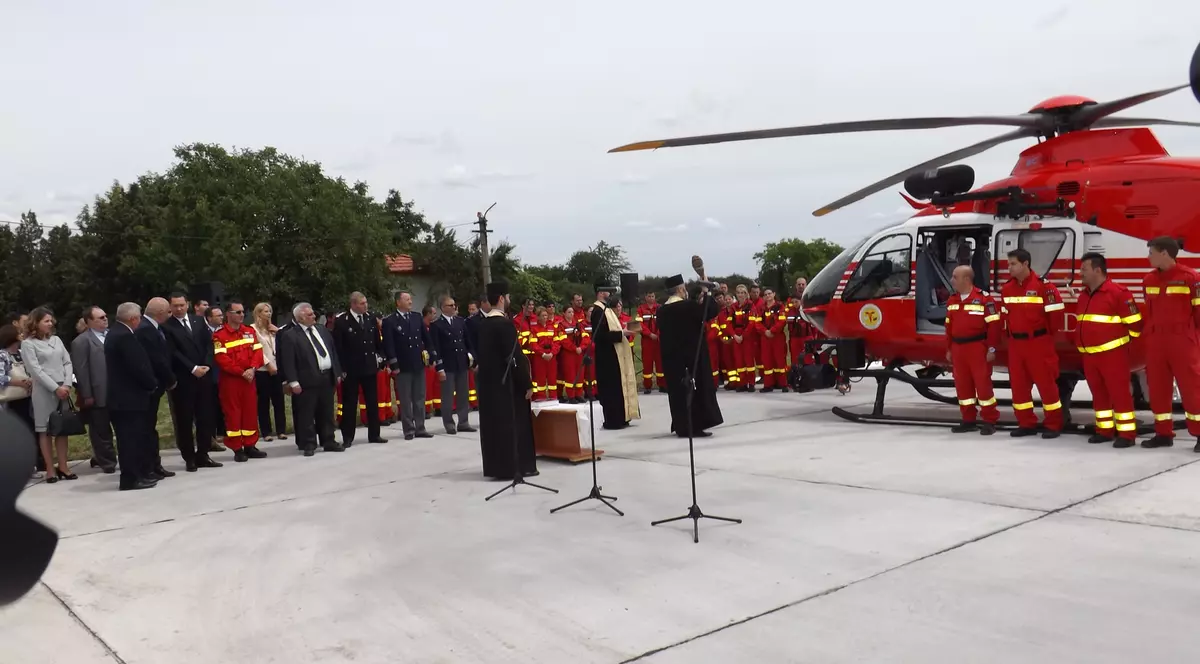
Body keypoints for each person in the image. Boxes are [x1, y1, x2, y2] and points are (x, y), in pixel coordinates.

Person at [1075, 253, 1142, 448]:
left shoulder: (1118, 293)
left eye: (1084, 269)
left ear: (1097, 270)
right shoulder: (1084, 294)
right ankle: (1104, 430)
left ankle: (1127, 434)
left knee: (1120, 394)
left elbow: (1135, 324)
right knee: (1098, 394)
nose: (1080, 273)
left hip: (1112, 355)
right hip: (1090, 355)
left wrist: (1123, 344)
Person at [1140, 236, 1200, 451]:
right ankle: (1163, 433)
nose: (1148, 257)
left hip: (1182, 341)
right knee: (1157, 389)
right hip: (1156, 342)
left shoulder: (1190, 278)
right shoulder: (1148, 280)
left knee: (1192, 389)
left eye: (1151, 252)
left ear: (1164, 253)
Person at [999, 248, 1065, 438]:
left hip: (1038, 342)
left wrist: (1043, 336)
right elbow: (1005, 316)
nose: (1008, 268)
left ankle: (1053, 424)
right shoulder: (1008, 288)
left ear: (1025, 264)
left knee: (1046, 385)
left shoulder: (1045, 287)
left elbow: (1056, 318)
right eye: (1008, 264)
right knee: (1019, 386)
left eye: (1013, 264)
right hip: (1016, 344)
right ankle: (1026, 423)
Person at [475, 281, 537, 479]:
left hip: (489, 386)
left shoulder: (483, 324)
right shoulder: (504, 325)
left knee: (494, 427)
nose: (509, 300)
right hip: (507, 387)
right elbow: (514, 358)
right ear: (501, 299)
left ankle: (497, 468)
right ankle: (518, 466)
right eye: (508, 297)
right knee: (514, 425)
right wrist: (526, 383)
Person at [657, 275, 724, 437]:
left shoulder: (662, 310)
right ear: (680, 290)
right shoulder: (686, 306)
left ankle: (681, 425)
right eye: (684, 288)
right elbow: (710, 312)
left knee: (677, 392)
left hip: (672, 360)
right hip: (691, 357)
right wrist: (707, 293)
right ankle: (694, 426)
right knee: (693, 391)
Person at [164, 292, 222, 472]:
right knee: (185, 420)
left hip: (204, 377)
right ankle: (189, 457)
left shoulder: (198, 322)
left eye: (182, 305)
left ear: (187, 304)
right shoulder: (167, 327)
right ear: (170, 307)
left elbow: (208, 345)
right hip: (184, 380)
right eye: (175, 306)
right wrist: (192, 368)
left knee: (206, 417)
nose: (179, 308)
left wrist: (205, 365)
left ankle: (203, 454)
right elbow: (173, 352)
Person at [106, 303, 160, 491]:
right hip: (129, 399)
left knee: (130, 439)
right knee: (130, 441)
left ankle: (136, 475)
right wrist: (151, 383)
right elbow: (138, 366)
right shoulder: (125, 337)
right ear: (133, 319)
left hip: (122, 398)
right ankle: (131, 478)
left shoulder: (114, 333)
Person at [944, 266, 1002, 435]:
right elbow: (948, 327)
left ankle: (989, 420)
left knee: (983, 386)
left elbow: (994, 326)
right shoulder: (952, 300)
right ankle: (968, 420)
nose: (952, 280)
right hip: (958, 348)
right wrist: (949, 349)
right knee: (963, 387)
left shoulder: (984, 299)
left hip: (977, 348)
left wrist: (991, 348)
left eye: (955, 277)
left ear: (966, 279)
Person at [279, 303, 343, 456]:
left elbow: (332, 351)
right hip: (306, 380)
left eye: (313, 314)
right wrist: (292, 381)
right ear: (300, 317)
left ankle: (328, 440)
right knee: (306, 414)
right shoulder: (290, 335)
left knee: (326, 411)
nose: (314, 316)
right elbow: (288, 360)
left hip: (326, 377)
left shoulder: (322, 330)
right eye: (310, 315)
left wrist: (337, 372)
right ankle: (308, 443)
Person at [20, 307, 76, 482]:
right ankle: (50, 469)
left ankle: (64, 466)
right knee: (45, 429)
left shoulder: (57, 340)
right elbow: (35, 370)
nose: (50, 324)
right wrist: (55, 388)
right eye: (46, 321)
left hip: (63, 388)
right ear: (35, 323)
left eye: (51, 321)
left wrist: (66, 384)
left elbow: (67, 361)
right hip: (44, 390)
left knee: (61, 428)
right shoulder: (28, 344)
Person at [212, 300, 266, 461]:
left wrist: (253, 368)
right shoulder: (219, 335)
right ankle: (237, 448)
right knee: (233, 414)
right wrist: (241, 372)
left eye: (243, 312)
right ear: (228, 314)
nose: (242, 315)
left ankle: (250, 445)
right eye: (238, 312)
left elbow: (258, 352)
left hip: (249, 379)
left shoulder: (249, 331)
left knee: (250, 412)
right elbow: (222, 359)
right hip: (231, 381)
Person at [332, 292, 386, 446]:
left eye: (366, 303)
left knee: (372, 402)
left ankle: (374, 434)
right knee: (350, 404)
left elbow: (377, 342)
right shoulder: (342, 321)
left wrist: (380, 357)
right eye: (362, 303)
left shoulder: (370, 318)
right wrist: (341, 369)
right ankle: (348, 437)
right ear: (354, 305)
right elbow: (338, 348)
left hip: (369, 367)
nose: (365, 306)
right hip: (351, 370)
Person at [70, 305, 117, 473]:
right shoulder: (82, 341)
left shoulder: (114, 335)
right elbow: (81, 370)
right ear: (89, 322)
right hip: (98, 392)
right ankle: (107, 462)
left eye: (105, 316)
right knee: (101, 430)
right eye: (100, 318)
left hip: (118, 391)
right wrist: (87, 393)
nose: (105, 319)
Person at [383, 292, 436, 440]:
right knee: (406, 400)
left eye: (411, 299)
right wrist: (394, 364)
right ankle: (409, 429)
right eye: (407, 299)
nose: (410, 301)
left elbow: (426, 338)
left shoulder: (416, 317)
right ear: (398, 302)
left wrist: (431, 354)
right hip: (403, 365)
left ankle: (420, 428)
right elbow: (389, 345)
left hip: (418, 363)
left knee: (420, 397)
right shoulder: (391, 321)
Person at [136, 297, 178, 479]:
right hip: (149, 387)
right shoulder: (145, 329)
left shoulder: (153, 327)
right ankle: (149, 466)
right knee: (146, 429)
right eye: (168, 311)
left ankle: (155, 465)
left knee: (150, 428)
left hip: (154, 386)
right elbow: (157, 359)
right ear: (161, 313)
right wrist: (170, 380)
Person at [589, 281, 640, 429]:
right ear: (600, 292)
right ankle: (613, 420)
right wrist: (621, 333)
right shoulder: (598, 310)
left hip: (615, 355)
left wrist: (623, 330)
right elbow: (599, 336)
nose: (610, 294)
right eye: (607, 291)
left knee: (618, 387)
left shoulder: (607, 309)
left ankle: (622, 416)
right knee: (611, 389)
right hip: (607, 357)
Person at [431, 296, 475, 434]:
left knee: (463, 394)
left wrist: (472, 358)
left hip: (461, 363)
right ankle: (449, 423)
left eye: (454, 305)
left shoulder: (460, 322)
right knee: (448, 396)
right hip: (447, 365)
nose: (454, 307)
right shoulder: (436, 325)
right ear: (443, 307)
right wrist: (439, 367)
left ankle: (463, 422)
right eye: (451, 305)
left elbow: (468, 342)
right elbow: (435, 349)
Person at [251, 302, 288, 444]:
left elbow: (283, 345)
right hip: (263, 369)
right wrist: (267, 364)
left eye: (270, 311)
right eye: (265, 311)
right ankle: (266, 431)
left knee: (279, 400)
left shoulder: (272, 329)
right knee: (263, 401)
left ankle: (281, 430)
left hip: (277, 367)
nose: (268, 314)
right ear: (258, 313)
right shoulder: (253, 329)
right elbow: (256, 349)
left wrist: (278, 332)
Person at [756, 289, 788, 392]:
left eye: (769, 293)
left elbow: (782, 321)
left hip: (777, 337)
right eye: (765, 294)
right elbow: (757, 323)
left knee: (780, 360)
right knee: (767, 361)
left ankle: (783, 384)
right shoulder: (761, 308)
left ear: (774, 294)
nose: (768, 296)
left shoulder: (780, 307)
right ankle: (768, 385)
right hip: (765, 338)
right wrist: (765, 331)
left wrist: (773, 331)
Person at [558, 305, 589, 403]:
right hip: (568, 353)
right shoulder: (561, 325)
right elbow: (563, 340)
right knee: (570, 374)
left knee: (580, 373)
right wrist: (574, 348)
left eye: (572, 312)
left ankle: (578, 394)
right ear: (564, 313)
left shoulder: (578, 324)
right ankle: (571, 396)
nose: (571, 314)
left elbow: (585, 337)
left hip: (579, 353)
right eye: (569, 312)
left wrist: (581, 347)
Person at [529, 306, 560, 401]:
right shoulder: (534, 329)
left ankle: (553, 397)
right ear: (538, 317)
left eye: (546, 315)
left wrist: (552, 353)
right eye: (543, 315)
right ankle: (540, 397)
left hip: (551, 356)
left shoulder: (552, 327)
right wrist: (543, 354)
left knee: (552, 377)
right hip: (540, 357)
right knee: (540, 378)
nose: (545, 317)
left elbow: (557, 342)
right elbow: (533, 344)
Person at [637, 292, 665, 394]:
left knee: (660, 363)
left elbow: (663, 322)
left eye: (652, 296)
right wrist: (649, 334)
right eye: (649, 296)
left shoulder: (660, 308)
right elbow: (639, 324)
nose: (651, 298)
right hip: (647, 340)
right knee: (647, 363)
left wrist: (657, 334)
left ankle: (662, 385)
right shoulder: (641, 309)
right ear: (645, 297)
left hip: (658, 340)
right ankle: (647, 386)